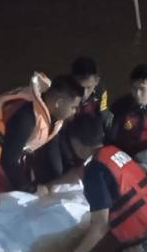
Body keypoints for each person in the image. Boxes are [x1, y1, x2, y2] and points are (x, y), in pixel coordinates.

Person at [66, 114, 147, 252]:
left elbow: (100, 227)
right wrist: (51, 185)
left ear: (76, 142)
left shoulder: (94, 173)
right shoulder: (112, 152)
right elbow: (80, 172)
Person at [0, 72, 83, 193]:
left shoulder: (51, 113)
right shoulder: (26, 117)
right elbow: (8, 159)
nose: (75, 112)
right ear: (59, 103)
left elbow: (50, 142)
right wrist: (30, 189)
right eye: (73, 107)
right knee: (3, 198)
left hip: (13, 151)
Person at [30, 57, 111, 185]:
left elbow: (102, 118)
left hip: (83, 133)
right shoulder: (66, 93)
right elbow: (58, 125)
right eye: (80, 87)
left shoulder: (101, 92)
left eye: (89, 87)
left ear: (97, 81)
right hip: (59, 131)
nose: (84, 93)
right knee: (56, 169)